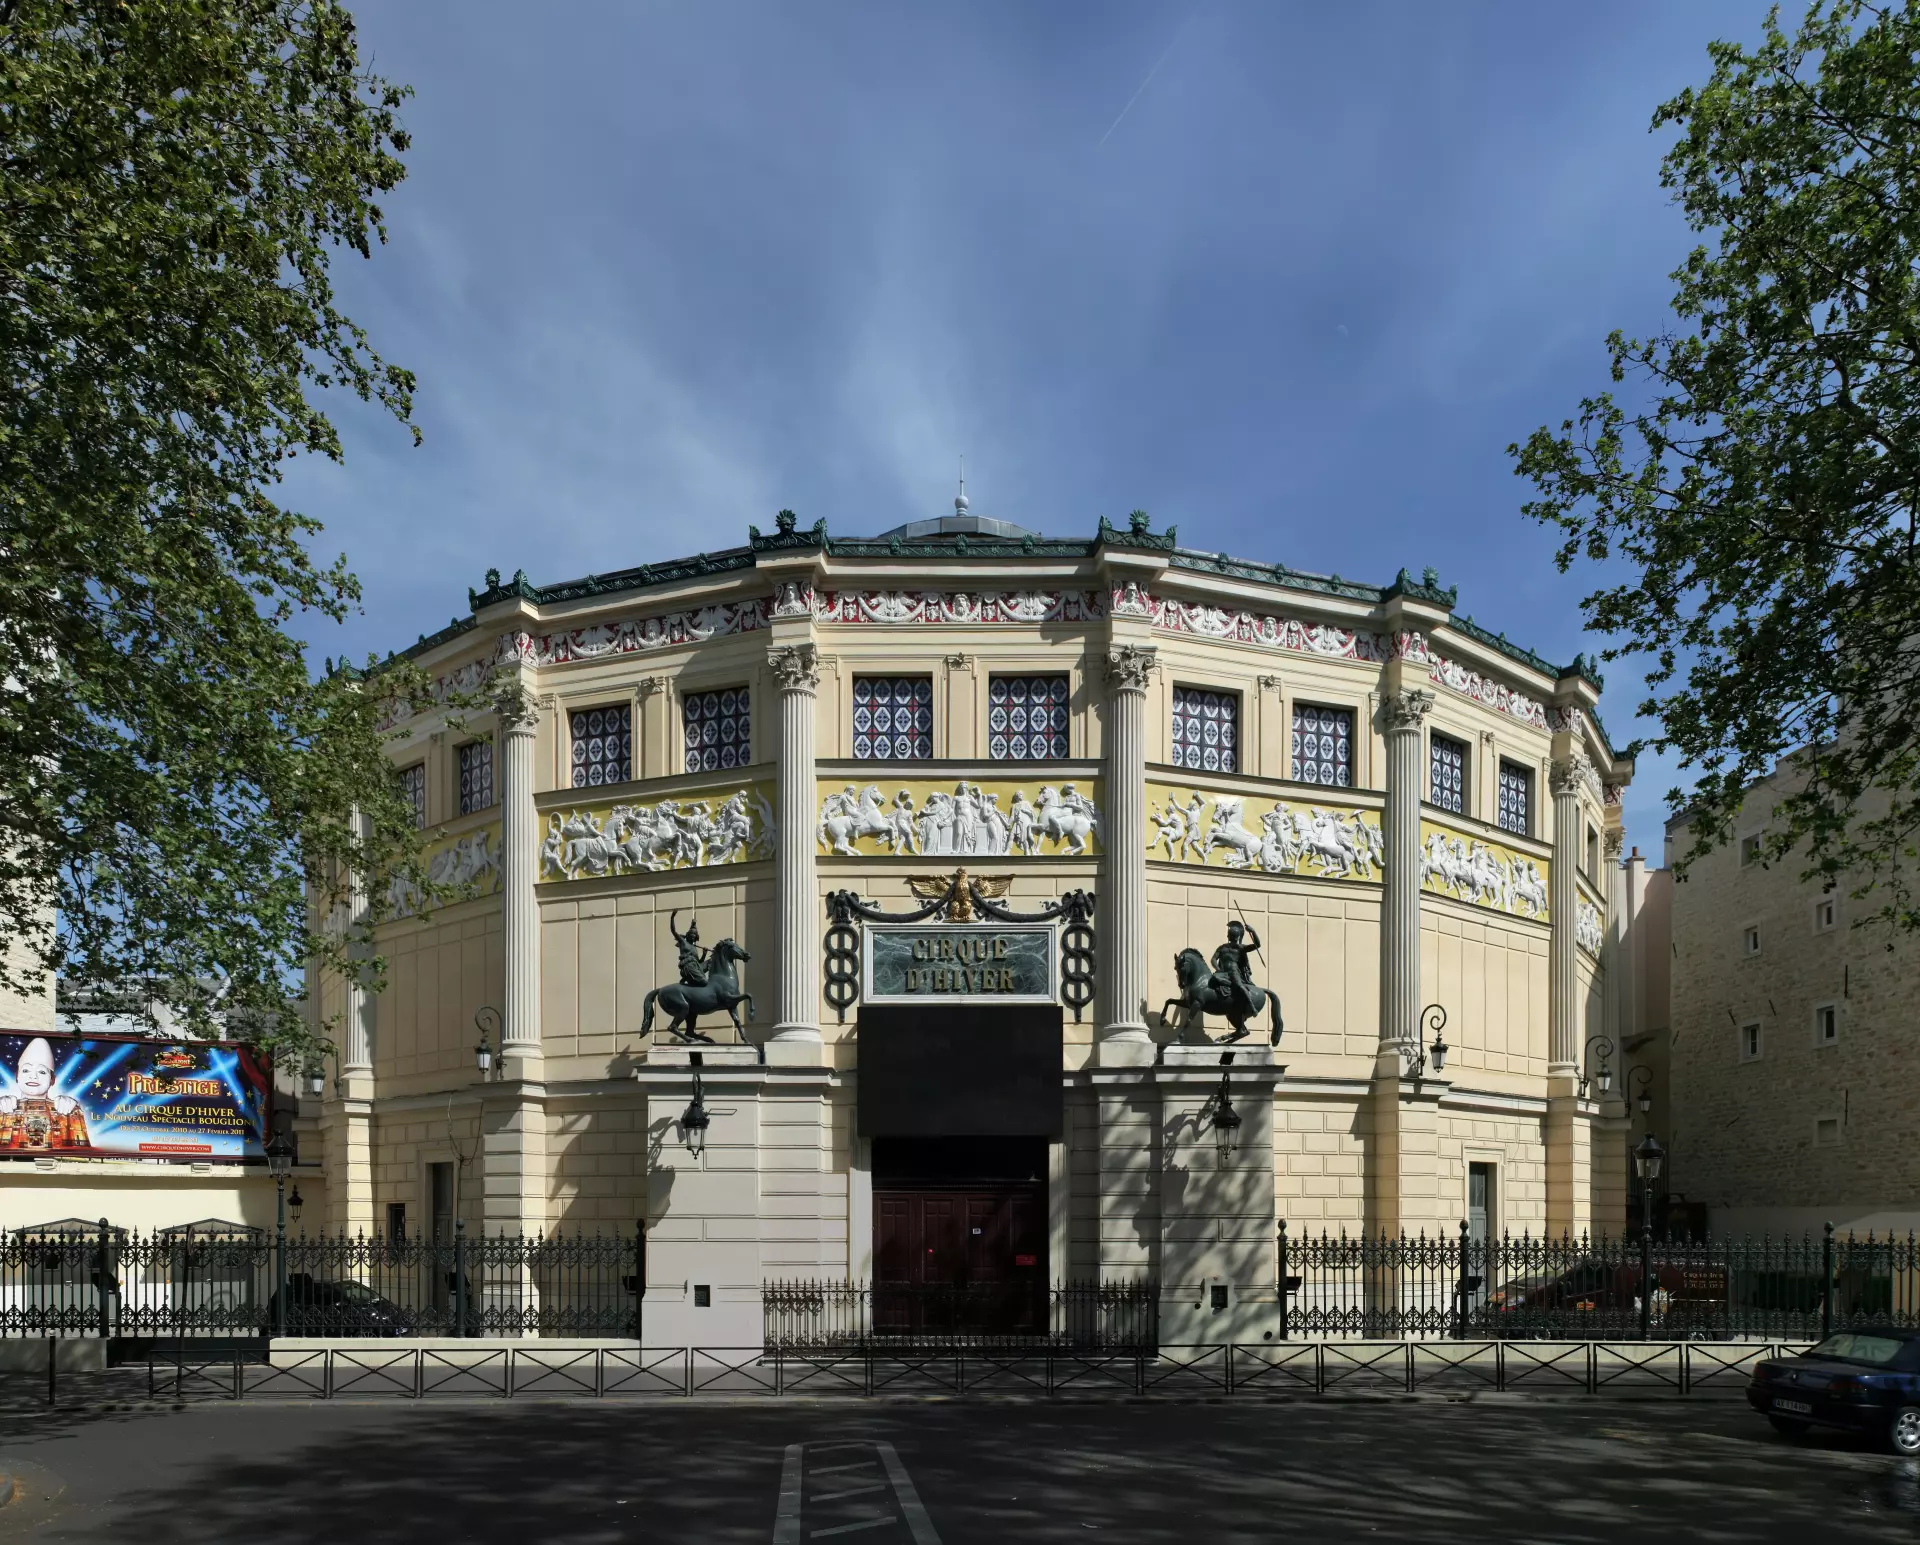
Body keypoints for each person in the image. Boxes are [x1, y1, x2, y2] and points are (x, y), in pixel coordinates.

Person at [0, 1037, 90, 1151]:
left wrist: (73, 1106)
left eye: (42, 1072)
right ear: (17, 1076)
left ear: (52, 1079)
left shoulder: (64, 1106)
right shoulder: (5, 1105)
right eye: (26, 1070)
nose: (33, 1076)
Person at [1209, 919, 1262, 1025]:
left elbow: (1257, 944)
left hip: (1234, 971)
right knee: (1212, 980)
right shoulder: (1222, 947)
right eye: (1230, 935)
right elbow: (1213, 959)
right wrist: (1218, 969)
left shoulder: (1241, 948)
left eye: (1232, 935)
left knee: (1239, 984)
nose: (1231, 937)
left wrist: (1252, 931)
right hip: (1223, 971)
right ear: (1228, 936)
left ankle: (1252, 1007)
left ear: (1237, 937)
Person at [670, 912, 710, 988]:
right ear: (688, 934)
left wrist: (704, 954)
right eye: (691, 934)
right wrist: (672, 917)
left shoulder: (694, 947)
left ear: (696, 937)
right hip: (688, 967)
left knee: (711, 961)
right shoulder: (683, 942)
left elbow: (699, 962)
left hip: (695, 966)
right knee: (704, 982)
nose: (692, 935)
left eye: (694, 934)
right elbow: (673, 931)